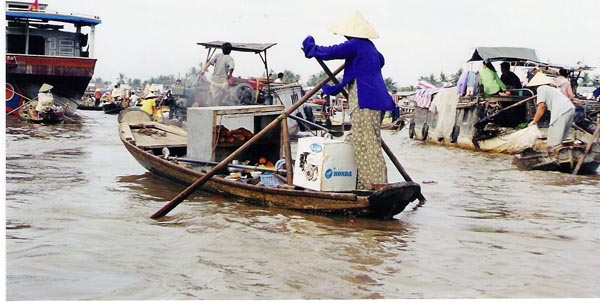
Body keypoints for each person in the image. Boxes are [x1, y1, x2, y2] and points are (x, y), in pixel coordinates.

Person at [302, 11, 395, 190]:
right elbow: (380, 61)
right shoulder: (371, 48)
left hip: (366, 100)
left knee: (368, 143)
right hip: (375, 100)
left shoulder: (357, 45)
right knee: (358, 141)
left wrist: (312, 47)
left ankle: (378, 185)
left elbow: (331, 52)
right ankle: (363, 183)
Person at [527, 72, 575, 147]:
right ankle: (568, 153)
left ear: (536, 85)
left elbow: (541, 106)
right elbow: (544, 107)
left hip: (561, 111)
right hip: (569, 108)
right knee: (563, 137)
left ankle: (555, 155)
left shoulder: (541, 88)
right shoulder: (550, 89)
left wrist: (534, 122)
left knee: (554, 139)